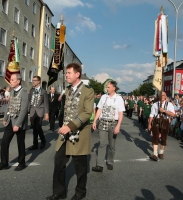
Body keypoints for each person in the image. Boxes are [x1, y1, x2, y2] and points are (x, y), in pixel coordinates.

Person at [46, 63, 94, 200]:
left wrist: (70, 126)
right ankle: (59, 192)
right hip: (65, 132)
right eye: (66, 73)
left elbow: (86, 112)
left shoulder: (88, 91)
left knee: (80, 167)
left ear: (77, 74)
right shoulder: (67, 90)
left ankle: (80, 192)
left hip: (78, 132)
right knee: (58, 162)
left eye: (69, 73)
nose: (66, 75)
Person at [0, 74, 28, 171]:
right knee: (4, 142)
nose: (11, 81)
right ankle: (4, 163)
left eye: (13, 80)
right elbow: (9, 106)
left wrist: (17, 124)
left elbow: (24, 110)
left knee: (20, 143)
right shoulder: (12, 91)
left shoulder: (24, 93)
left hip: (19, 123)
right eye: (11, 79)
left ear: (18, 81)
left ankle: (22, 163)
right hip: (10, 121)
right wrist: (5, 118)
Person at [92, 80, 124, 172]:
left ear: (114, 88)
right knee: (102, 143)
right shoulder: (103, 97)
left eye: (108, 87)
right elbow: (99, 109)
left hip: (113, 123)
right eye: (106, 87)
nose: (107, 88)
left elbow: (121, 113)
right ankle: (99, 165)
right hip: (103, 123)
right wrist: (95, 121)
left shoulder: (118, 98)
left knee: (111, 145)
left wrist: (118, 126)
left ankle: (110, 162)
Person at [148, 92, 175, 161]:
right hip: (156, 121)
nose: (162, 96)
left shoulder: (169, 104)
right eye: (160, 95)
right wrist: (149, 124)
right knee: (155, 137)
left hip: (165, 122)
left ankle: (161, 152)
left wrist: (165, 111)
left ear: (165, 97)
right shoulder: (155, 104)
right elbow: (151, 115)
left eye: (163, 95)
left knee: (163, 138)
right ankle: (155, 154)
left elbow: (173, 114)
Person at [28, 76, 49, 150]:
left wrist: (46, 113)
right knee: (34, 128)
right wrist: (27, 111)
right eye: (33, 80)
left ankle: (43, 141)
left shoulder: (43, 91)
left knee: (38, 127)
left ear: (39, 81)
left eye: (35, 80)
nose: (33, 81)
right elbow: (29, 100)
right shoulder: (31, 90)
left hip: (40, 111)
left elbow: (46, 103)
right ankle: (35, 144)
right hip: (32, 111)